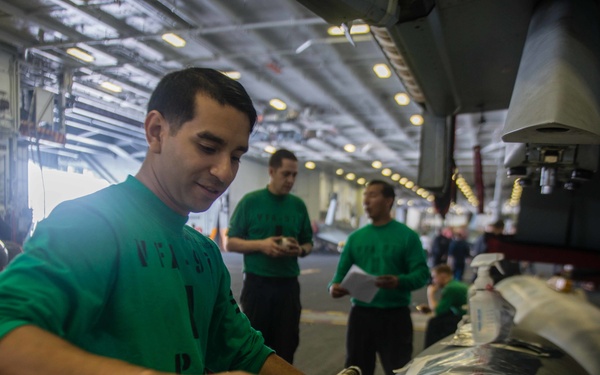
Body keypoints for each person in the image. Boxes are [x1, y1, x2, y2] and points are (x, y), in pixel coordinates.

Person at [0, 68, 303, 375]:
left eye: (236, 156)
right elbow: (7, 334)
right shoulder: (89, 223)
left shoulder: (205, 253)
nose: (224, 172)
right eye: (208, 148)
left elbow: (245, 352)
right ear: (157, 131)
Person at [328, 180, 429, 375]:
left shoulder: (407, 237)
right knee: (356, 370)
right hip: (361, 316)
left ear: (388, 201)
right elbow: (338, 277)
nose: (366, 200)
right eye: (365, 195)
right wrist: (334, 288)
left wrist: (399, 281)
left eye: (372, 195)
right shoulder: (355, 238)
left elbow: (422, 275)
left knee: (398, 370)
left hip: (395, 316)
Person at [226, 149, 313, 364]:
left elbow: (308, 243)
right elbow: (230, 242)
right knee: (254, 346)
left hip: (288, 287)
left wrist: (299, 250)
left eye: (294, 175)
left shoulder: (298, 206)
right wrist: (261, 245)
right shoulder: (251, 202)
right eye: (286, 174)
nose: (291, 180)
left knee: (287, 344)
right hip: (258, 285)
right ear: (272, 171)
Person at [419, 264, 468, 349]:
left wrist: (430, 294)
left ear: (443, 275)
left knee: (434, 322)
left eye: (434, 277)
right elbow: (444, 308)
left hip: (462, 318)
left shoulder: (450, 288)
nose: (434, 281)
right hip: (463, 314)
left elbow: (438, 312)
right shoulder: (455, 284)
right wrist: (431, 309)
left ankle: (431, 350)